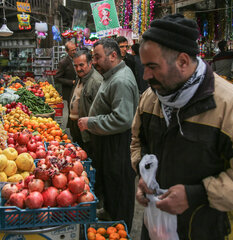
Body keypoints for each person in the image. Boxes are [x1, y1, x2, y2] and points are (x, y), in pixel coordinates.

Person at [130, 14, 233, 240]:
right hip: (159, 227)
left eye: (152, 66)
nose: (145, 75)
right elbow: (138, 142)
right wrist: (143, 174)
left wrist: (197, 195)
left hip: (214, 231)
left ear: (183, 62)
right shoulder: (150, 99)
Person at [78, 38, 139, 230]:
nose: (94, 61)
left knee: (120, 188)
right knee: (112, 186)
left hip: (118, 145)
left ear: (113, 56)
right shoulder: (111, 75)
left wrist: (91, 122)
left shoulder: (121, 80)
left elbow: (123, 119)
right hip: (109, 143)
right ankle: (111, 214)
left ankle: (120, 228)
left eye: (97, 57)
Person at [68, 50, 103, 154]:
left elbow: (100, 110)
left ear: (90, 63)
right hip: (76, 127)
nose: (78, 69)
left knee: (87, 155)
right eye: (76, 66)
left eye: (81, 65)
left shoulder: (96, 81)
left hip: (87, 131)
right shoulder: (80, 77)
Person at [55, 41, 77, 107]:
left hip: (78, 89)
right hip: (69, 91)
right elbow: (57, 78)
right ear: (67, 51)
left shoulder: (77, 59)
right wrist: (71, 82)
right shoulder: (63, 62)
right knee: (71, 109)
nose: (74, 52)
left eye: (75, 49)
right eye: (72, 50)